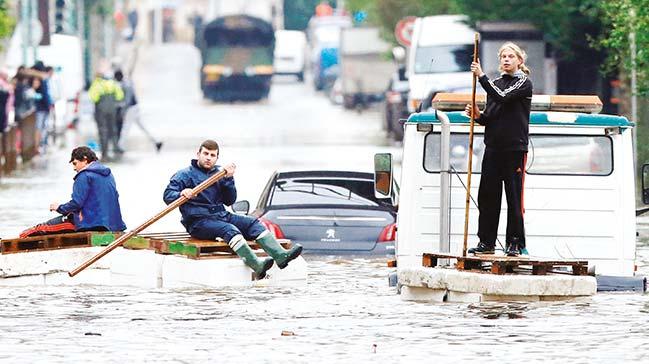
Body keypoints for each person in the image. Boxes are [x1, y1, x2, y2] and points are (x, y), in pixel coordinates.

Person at [163, 140, 303, 279]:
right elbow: (168, 196)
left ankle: (280, 255)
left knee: (252, 222)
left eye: (212, 155)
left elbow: (230, 201)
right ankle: (257, 265)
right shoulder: (184, 175)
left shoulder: (220, 174)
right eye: (205, 154)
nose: (208, 158)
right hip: (198, 222)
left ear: (217, 158)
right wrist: (182, 193)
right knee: (229, 229)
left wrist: (229, 179)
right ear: (198, 154)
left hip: (221, 215)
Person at [464, 42, 533, 256]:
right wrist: (478, 116)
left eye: (511, 56)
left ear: (519, 61)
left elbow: (503, 97)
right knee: (487, 196)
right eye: (503, 56)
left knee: (513, 197)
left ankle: (514, 242)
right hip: (493, 147)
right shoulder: (494, 83)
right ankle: (486, 241)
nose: (506, 59)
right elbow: (490, 117)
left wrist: (481, 76)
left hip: (514, 148)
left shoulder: (523, 83)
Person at [20, 146, 127, 238]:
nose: (74, 168)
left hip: (89, 224)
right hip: (112, 225)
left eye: (75, 163)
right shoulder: (108, 174)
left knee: (37, 230)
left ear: (85, 160)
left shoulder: (84, 175)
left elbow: (77, 203)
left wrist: (59, 208)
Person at [88, 70, 124, 159]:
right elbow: (120, 96)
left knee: (103, 130)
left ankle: (105, 153)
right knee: (113, 129)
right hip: (112, 109)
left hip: (101, 109)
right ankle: (116, 148)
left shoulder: (97, 84)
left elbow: (93, 98)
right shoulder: (113, 83)